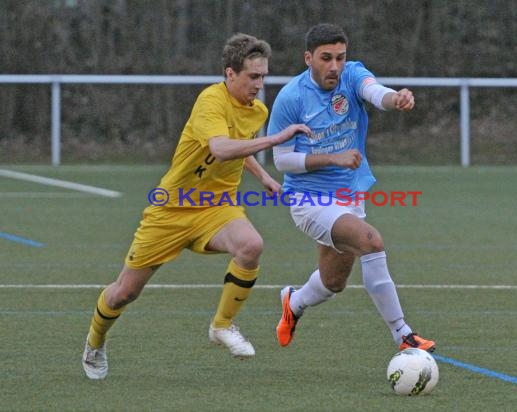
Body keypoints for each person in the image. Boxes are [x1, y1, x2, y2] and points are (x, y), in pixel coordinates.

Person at [82, 33, 311, 379]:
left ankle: (222, 325)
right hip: (172, 209)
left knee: (251, 245)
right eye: (253, 76)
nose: (260, 85)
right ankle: (94, 343)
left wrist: (262, 175)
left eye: (264, 76)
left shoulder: (257, 110)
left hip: (216, 206)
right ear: (230, 74)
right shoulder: (210, 101)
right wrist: (279, 138)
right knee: (124, 293)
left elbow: (241, 145)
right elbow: (220, 148)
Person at [267, 23, 435, 353]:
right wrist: (332, 158)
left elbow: (375, 92)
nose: (334, 66)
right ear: (308, 58)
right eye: (325, 58)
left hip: (349, 194)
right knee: (370, 241)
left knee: (333, 283)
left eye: (340, 57)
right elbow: (282, 160)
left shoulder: (352, 75)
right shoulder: (291, 97)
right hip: (309, 198)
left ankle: (294, 301)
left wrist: (395, 97)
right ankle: (403, 334)